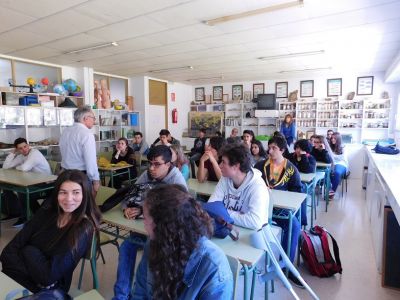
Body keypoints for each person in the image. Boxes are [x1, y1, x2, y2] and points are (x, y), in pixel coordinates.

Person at [0, 170, 101, 293]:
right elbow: (7, 253)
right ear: (56, 193)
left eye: (76, 192)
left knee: (27, 250)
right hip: (28, 281)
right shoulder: (46, 212)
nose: (69, 199)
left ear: (85, 194)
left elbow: (48, 277)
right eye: (63, 192)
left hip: (50, 291)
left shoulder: (83, 228)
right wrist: (31, 261)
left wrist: (27, 251)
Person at [132, 184, 233, 299]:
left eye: (145, 218)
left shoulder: (214, 268)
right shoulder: (153, 244)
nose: (143, 223)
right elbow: (139, 293)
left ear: (163, 226)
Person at [114, 145, 187, 300]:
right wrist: (128, 208)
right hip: (144, 230)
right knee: (126, 247)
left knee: (150, 256)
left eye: (157, 164)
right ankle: (121, 296)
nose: (152, 168)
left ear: (168, 164)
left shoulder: (176, 181)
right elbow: (129, 195)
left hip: (166, 238)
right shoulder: (147, 175)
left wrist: (143, 210)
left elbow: (178, 214)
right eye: (150, 163)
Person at [254, 136, 303, 287]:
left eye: (274, 148)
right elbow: (251, 183)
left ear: (282, 150)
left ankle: (286, 265)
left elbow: (297, 191)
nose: (270, 150)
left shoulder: (291, 168)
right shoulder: (260, 165)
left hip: (280, 209)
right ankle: (250, 262)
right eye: (269, 147)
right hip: (261, 207)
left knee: (294, 225)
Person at [208, 143, 269, 230]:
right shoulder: (225, 179)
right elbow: (211, 208)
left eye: (223, 162)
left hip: (250, 237)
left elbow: (255, 222)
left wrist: (223, 213)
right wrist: (240, 216)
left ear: (236, 166)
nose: (220, 166)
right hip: (229, 231)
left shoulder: (257, 186)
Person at [2, 137, 52, 227]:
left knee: (23, 193)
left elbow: (24, 168)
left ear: (28, 145)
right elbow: (6, 167)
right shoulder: (21, 156)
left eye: (25, 146)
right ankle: (16, 213)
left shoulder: (34, 154)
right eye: (20, 148)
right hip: (33, 182)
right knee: (7, 188)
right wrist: (12, 153)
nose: (24, 150)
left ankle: (29, 218)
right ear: (17, 149)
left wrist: (17, 168)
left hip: (46, 184)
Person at [59, 107, 100, 197]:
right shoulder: (87, 134)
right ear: (86, 118)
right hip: (80, 176)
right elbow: (91, 161)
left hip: (65, 174)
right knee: (84, 206)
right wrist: (95, 181)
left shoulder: (65, 131)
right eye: (93, 118)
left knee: (70, 204)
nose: (94, 120)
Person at [287, 139, 316, 226]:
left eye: (301, 148)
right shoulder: (291, 156)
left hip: (307, 184)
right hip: (291, 182)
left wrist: (303, 157)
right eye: (297, 148)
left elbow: (307, 170)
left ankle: (302, 220)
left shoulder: (310, 158)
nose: (298, 150)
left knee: (300, 191)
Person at [329, 132, 348, 199]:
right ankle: (330, 188)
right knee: (327, 173)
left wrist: (332, 155)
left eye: (334, 138)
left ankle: (332, 192)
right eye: (332, 138)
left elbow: (342, 158)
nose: (332, 140)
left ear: (338, 139)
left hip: (341, 163)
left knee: (336, 173)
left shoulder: (343, 146)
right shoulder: (330, 146)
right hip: (331, 164)